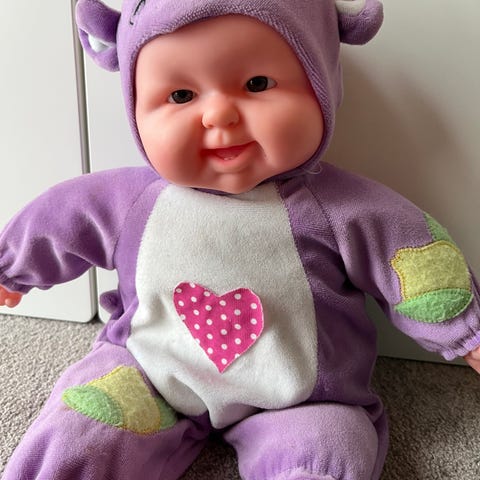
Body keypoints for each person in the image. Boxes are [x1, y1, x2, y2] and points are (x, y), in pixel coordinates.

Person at [2, 1, 480, 479]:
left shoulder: (342, 209)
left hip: (301, 396)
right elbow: (59, 221)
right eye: (182, 95)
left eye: (257, 84)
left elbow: (412, 259)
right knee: (83, 427)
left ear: (321, 87)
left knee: (327, 447)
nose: (219, 115)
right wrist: (11, 267)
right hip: (151, 375)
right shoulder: (130, 201)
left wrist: (467, 331)